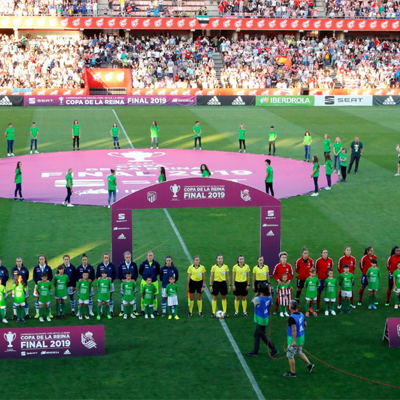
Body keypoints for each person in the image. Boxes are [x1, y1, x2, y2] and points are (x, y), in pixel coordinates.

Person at [246, 282, 279, 357]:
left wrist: (255, 295)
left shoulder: (258, 299)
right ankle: (255, 351)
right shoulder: (270, 297)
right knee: (257, 335)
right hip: (265, 317)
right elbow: (271, 304)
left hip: (260, 319)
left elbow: (252, 302)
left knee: (262, 336)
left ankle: (274, 349)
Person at [283, 300, 314, 377]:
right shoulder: (301, 314)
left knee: (290, 355)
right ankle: (309, 365)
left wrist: (293, 341)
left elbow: (294, 329)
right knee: (298, 352)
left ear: (290, 307)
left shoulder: (291, 318)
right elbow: (305, 324)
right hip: (301, 338)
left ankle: (292, 372)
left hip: (294, 340)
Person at [139, 251, 161, 316]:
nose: (150, 256)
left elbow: (158, 272)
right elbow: (140, 272)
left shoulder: (156, 264)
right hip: (144, 282)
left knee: (154, 296)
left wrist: (152, 278)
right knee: (143, 295)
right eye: (149, 255)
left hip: (154, 282)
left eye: (151, 255)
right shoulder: (143, 263)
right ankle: (142, 310)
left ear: (153, 256)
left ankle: (155, 310)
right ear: (147, 256)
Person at [118, 251, 138, 317]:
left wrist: (134, 279)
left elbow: (136, 273)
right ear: (124, 258)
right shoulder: (121, 265)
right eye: (127, 257)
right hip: (124, 283)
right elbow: (119, 274)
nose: (128, 259)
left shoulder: (134, 264)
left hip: (132, 283)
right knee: (123, 296)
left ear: (131, 257)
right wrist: (122, 279)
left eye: (129, 257)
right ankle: (122, 310)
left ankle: (134, 310)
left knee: (133, 296)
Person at [33, 255, 53, 319]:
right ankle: (38, 313)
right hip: (38, 286)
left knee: (48, 299)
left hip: (46, 286)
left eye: (43, 259)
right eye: (40, 259)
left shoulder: (48, 268)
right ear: (38, 260)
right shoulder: (36, 268)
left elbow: (51, 276)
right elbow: (34, 277)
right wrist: (37, 281)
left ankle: (49, 313)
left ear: (45, 260)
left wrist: (48, 280)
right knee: (37, 298)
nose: (41, 260)